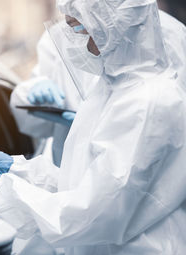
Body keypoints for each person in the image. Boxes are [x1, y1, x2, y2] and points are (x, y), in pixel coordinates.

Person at [0, 0, 186, 255]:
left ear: (110, 26)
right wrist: (20, 171)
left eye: (76, 27)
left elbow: (99, 210)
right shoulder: (113, 88)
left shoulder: (146, 102)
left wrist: (7, 195)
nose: (71, 41)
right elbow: (85, 183)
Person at [11, 9, 186, 167]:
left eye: (79, 25)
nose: (79, 41)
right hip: (70, 165)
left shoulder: (169, 36)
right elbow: (80, 195)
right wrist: (34, 92)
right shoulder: (62, 33)